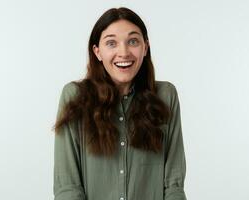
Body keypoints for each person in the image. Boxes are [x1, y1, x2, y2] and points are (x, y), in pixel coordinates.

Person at [52, 7, 187, 200]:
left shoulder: (166, 96)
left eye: (133, 41)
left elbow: (173, 183)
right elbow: (67, 185)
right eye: (111, 43)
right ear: (97, 52)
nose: (123, 52)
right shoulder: (74, 96)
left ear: (145, 47)